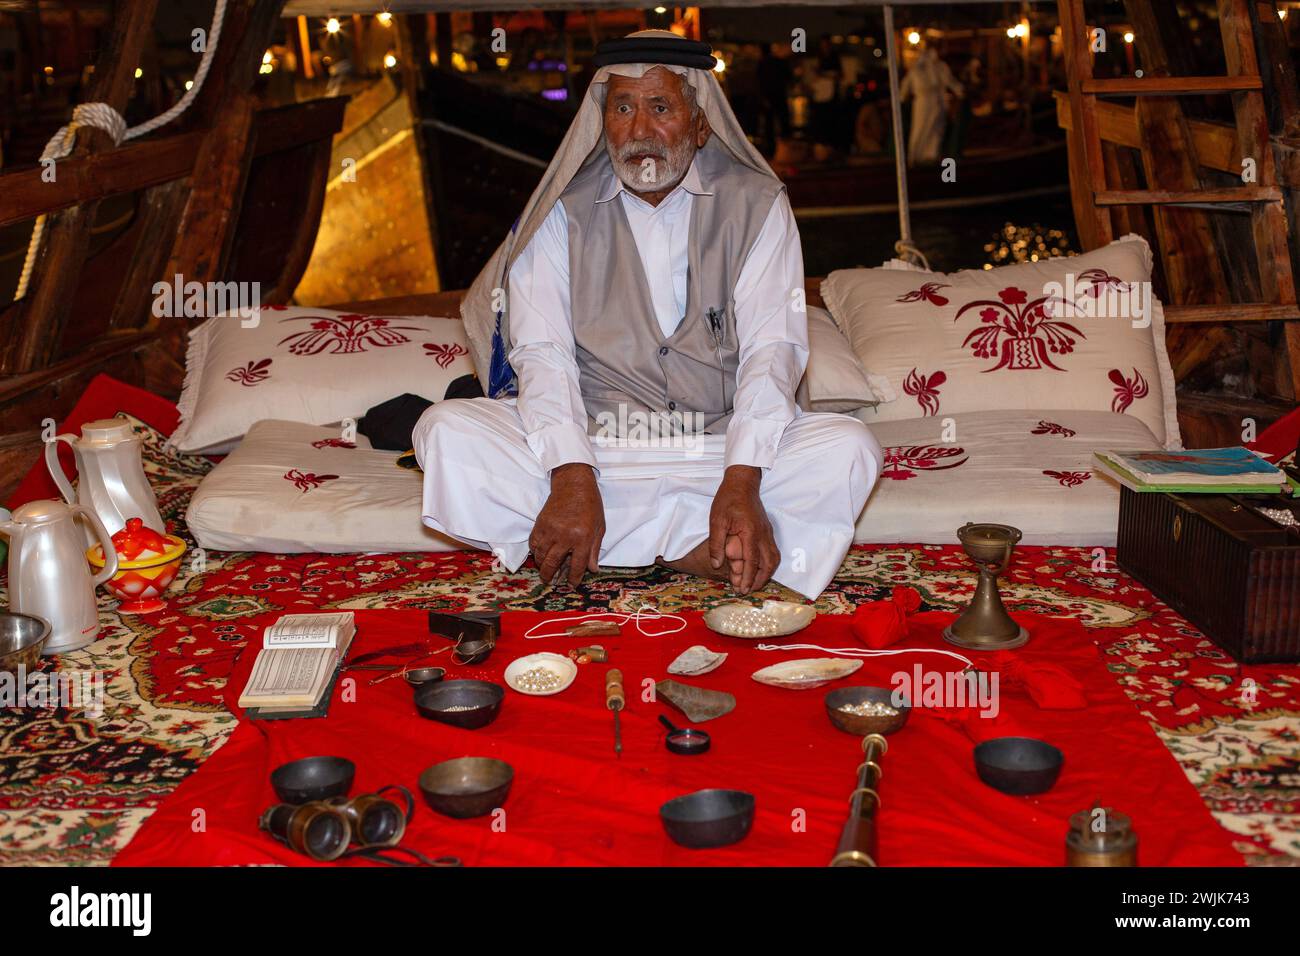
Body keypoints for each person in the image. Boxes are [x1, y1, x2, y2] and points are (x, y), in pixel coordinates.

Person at [415, 30, 882, 599]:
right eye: (623, 108)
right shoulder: (561, 212)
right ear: (602, 118)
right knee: (446, 432)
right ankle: (695, 549)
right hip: (597, 446)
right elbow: (543, 353)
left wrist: (741, 477)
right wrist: (570, 474)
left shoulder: (758, 204)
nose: (639, 131)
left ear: (700, 123)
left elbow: (773, 350)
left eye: (660, 107)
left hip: (716, 447)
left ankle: (625, 547)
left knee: (848, 448)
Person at [898, 47, 963, 164]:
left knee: (936, 128)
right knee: (920, 127)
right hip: (922, 102)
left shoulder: (939, 67)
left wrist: (959, 91)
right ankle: (916, 155)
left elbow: (949, 81)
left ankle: (932, 155)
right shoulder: (916, 70)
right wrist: (901, 98)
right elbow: (906, 85)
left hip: (937, 101)